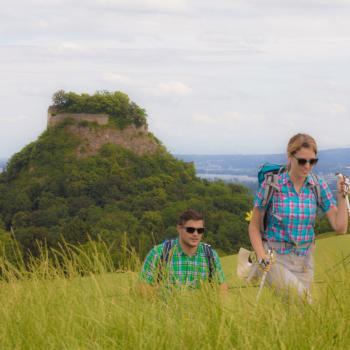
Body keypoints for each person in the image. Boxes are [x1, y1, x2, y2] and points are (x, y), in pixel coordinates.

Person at [248, 133, 348, 301]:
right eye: (302, 160)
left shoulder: (318, 185)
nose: (307, 166)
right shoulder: (272, 184)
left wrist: (342, 196)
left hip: (305, 263)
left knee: (297, 318)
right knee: (306, 302)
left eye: (312, 161)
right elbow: (253, 226)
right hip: (274, 259)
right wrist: (261, 256)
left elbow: (340, 228)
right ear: (290, 157)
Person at [139, 209, 228, 291]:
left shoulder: (211, 255)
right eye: (190, 230)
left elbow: (222, 288)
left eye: (200, 230)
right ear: (179, 229)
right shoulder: (158, 253)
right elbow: (142, 288)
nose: (195, 234)